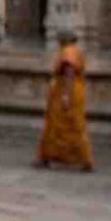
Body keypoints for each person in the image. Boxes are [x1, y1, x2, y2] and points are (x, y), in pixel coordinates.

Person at [33, 32, 94, 172]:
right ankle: (47, 156)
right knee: (56, 124)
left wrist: (66, 95)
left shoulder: (68, 52)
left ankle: (84, 159)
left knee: (71, 124)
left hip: (67, 91)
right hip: (69, 91)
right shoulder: (75, 51)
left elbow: (69, 73)